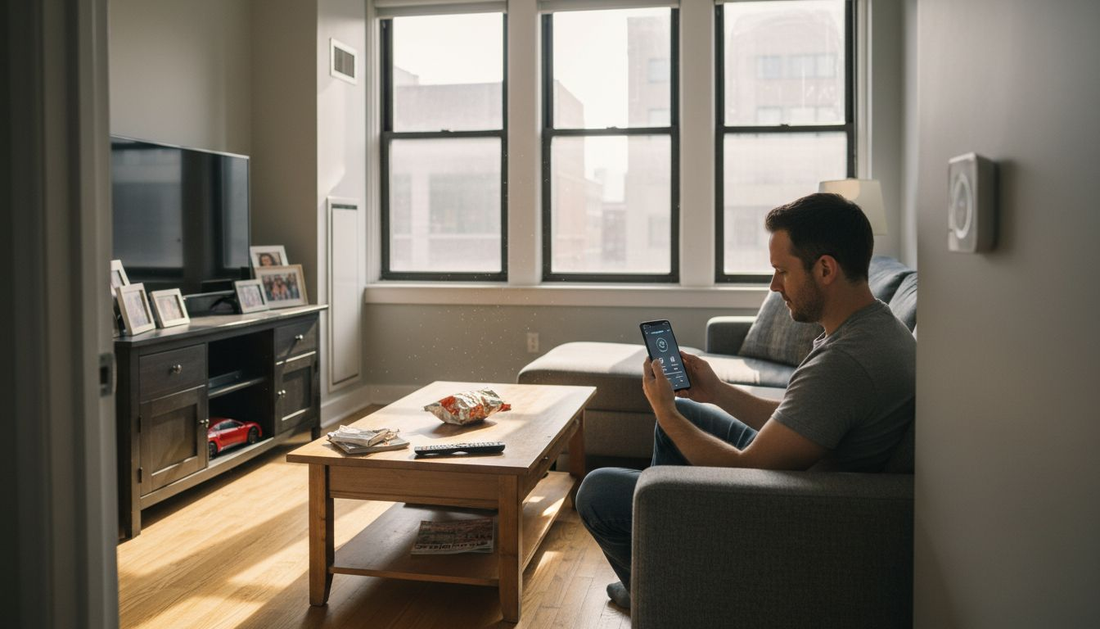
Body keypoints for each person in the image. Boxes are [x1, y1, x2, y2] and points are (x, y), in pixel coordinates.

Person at [575, 192, 916, 611]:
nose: (773, 286)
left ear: (825, 268)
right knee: (687, 411)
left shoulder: (844, 363)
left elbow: (746, 470)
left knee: (597, 489)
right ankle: (664, 561)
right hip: (806, 471)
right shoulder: (874, 326)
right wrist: (715, 391)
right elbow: (805, 417)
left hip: (787, 510)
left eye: (781, 271)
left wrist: (662, 409)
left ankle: (659, 598)